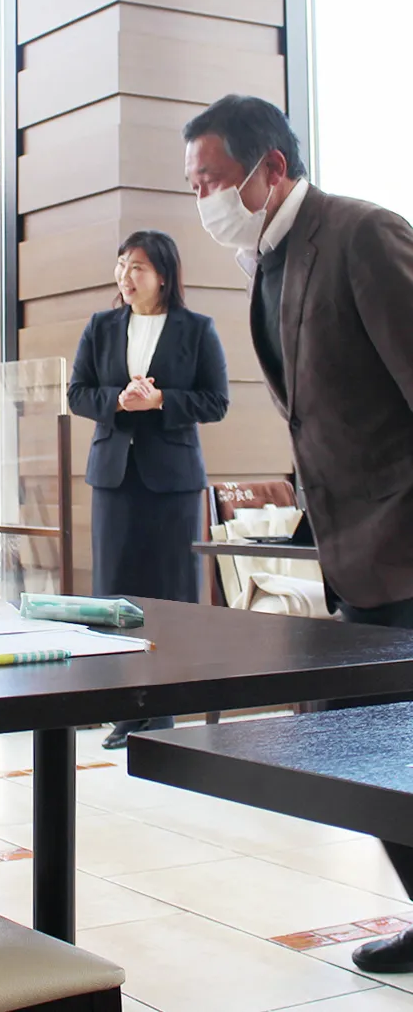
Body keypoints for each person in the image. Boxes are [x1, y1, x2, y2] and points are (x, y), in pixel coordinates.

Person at [184, 92, 413, 974]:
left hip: (410, 546)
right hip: (353, 553)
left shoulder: (362, 234)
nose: (202, 199)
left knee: (387, 744)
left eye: (211, 179)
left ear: (269, 168)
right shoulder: (267, 266)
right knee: (365, 749)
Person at [69, 230, 229, 750]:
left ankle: (162, 712)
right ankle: (122, 706)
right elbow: (78, 393)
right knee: (116, 593)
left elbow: (215, 401)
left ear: (163, 274)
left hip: (174, 483)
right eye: (121, 265)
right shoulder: (101, 326)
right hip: (115, 476)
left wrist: (161, 400)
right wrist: (118, 400)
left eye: (137, 267)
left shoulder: (197, 329)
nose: (126, 276)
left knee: (171, 594)